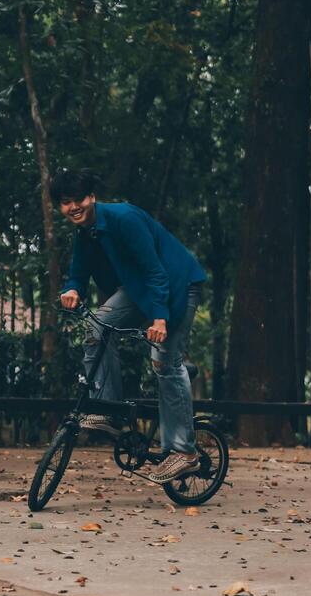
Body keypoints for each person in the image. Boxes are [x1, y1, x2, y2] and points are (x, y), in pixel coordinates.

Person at [51, 169, 206, 484]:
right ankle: (109, 411)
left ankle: (184, 452)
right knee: (98, 327)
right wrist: (72, 289)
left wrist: (160, 319)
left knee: (164, 362)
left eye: (78, 199)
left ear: (92, 197)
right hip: (139, 290)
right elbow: (77, 273)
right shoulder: (85, 233)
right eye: (65, 202)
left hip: (177, 285)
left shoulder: (124, 219)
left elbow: (155, 270)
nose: (73, 207)